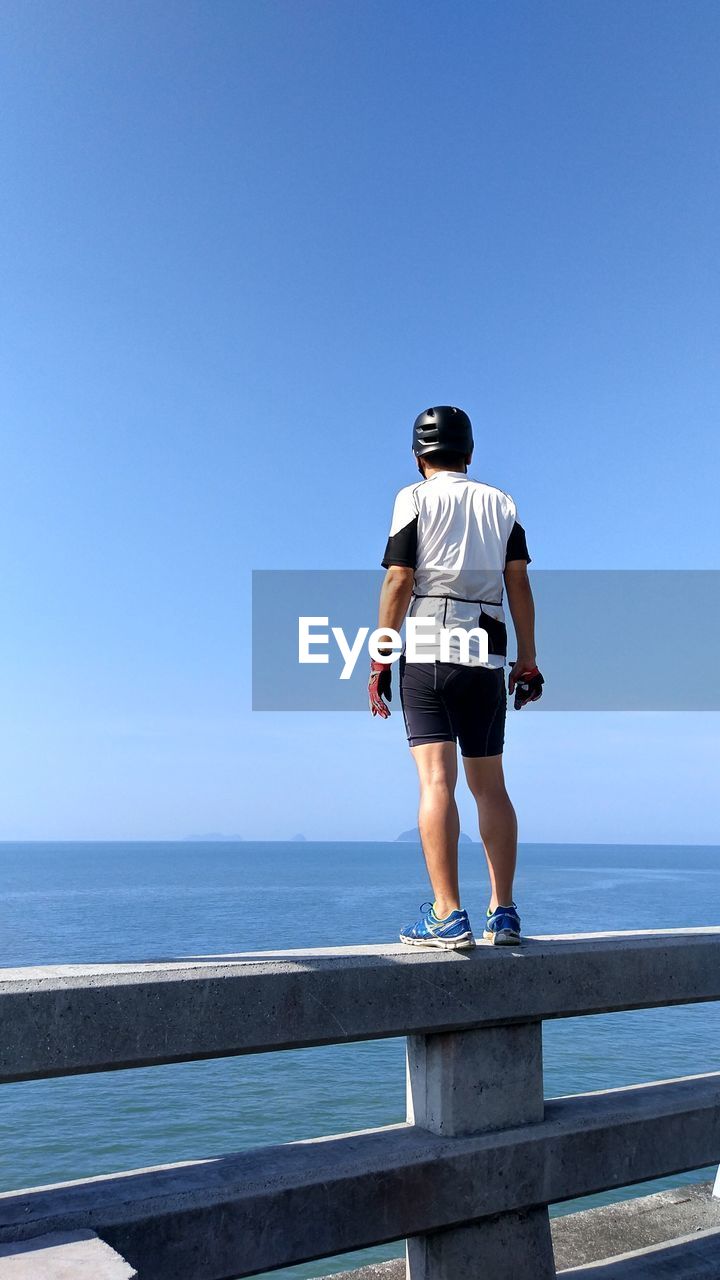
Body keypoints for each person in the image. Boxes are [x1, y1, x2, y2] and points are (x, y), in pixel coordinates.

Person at [368, 406, 543, 949]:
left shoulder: (413, 498)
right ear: (469, 453)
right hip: (488, 655)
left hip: (427, 648)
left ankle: (448, 914)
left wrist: (380, 654)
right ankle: (505, 912)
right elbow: (519, 586)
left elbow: (400, 579)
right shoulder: (502, 504)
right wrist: (528, 659)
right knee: (491, 786)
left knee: (435, 782)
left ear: (419, 456)